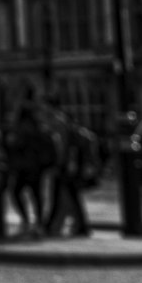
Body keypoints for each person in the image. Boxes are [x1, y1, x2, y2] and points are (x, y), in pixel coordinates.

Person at [5, 95, 54, 236]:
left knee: (16, 192)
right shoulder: (39, 128)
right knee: (37, 195)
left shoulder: (20, 129)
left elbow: (14, 146)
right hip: (37, 168)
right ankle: (38, 222)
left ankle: (26, 219)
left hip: (23, 167)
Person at [42, 96, 91, 237]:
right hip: (67, 164)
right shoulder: (61, 120)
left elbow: (61, 145)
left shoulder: (57, 122)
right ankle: (74, 225)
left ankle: (54, 226)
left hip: (64, 165)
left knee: (63, 195)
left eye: (44, 105)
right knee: (67, 195)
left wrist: (58, 163)